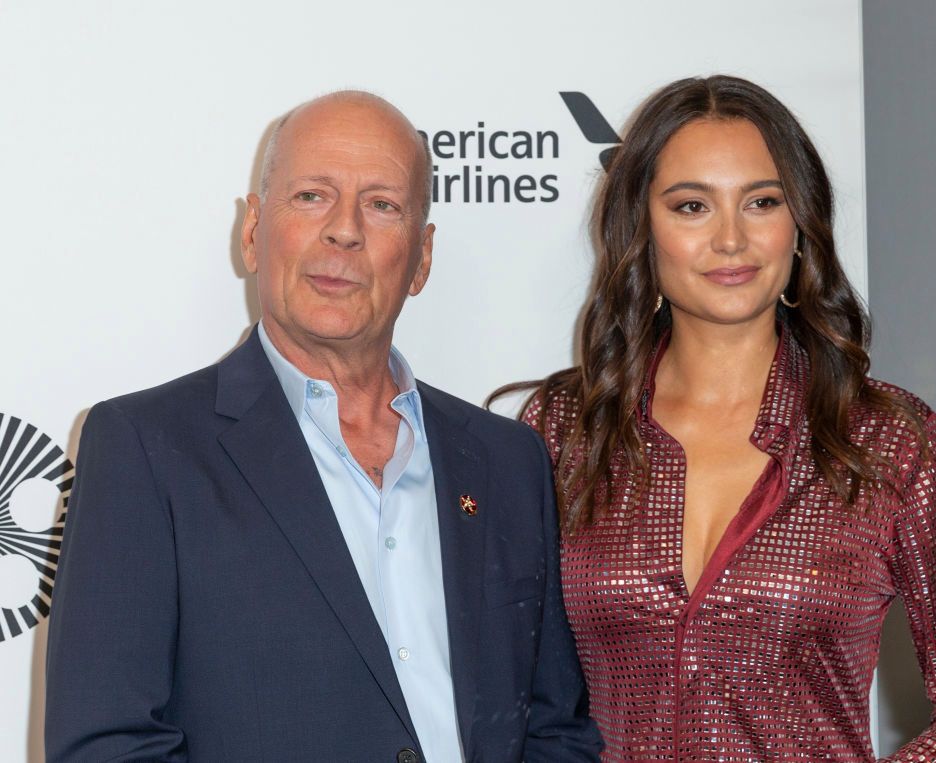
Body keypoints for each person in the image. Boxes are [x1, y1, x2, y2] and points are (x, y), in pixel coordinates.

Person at [45, 91, 602, 763]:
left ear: (422, 258)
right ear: (252, 232)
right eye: (311, 196)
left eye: (382, 204)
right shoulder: (144, 447)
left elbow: (555, 727)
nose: (344, 229)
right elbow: (110, 746)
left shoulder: (507, 458)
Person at [507, 76, 936, 760]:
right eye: (692, 205)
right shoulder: (566, 427)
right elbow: (513, 690)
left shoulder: (884, 437)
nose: (730, 238)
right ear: (642, 228)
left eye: (761, 202)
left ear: (800, 225)